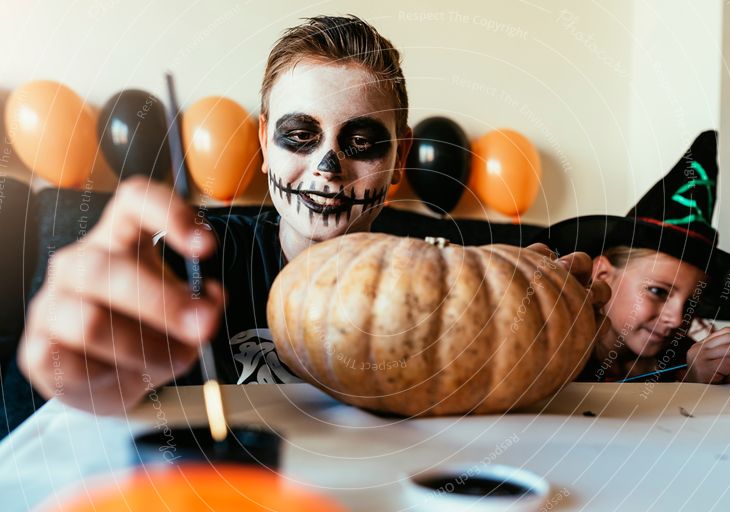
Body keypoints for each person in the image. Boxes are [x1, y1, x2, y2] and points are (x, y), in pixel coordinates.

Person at [17, 14, 608, 415]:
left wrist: (569, 332)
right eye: (299, 135)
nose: (327, 168)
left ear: (399, 160)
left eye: (361, 143)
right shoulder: (187, 257)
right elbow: (87, 387)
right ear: (263, 144)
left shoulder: (442, 279)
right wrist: (68, 360)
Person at [536, 130, 730, 384]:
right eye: (658, 291)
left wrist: (697, 384)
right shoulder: (548, 350)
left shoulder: (685, 359)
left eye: (692, 303)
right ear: (602, 275)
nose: (676, 318)